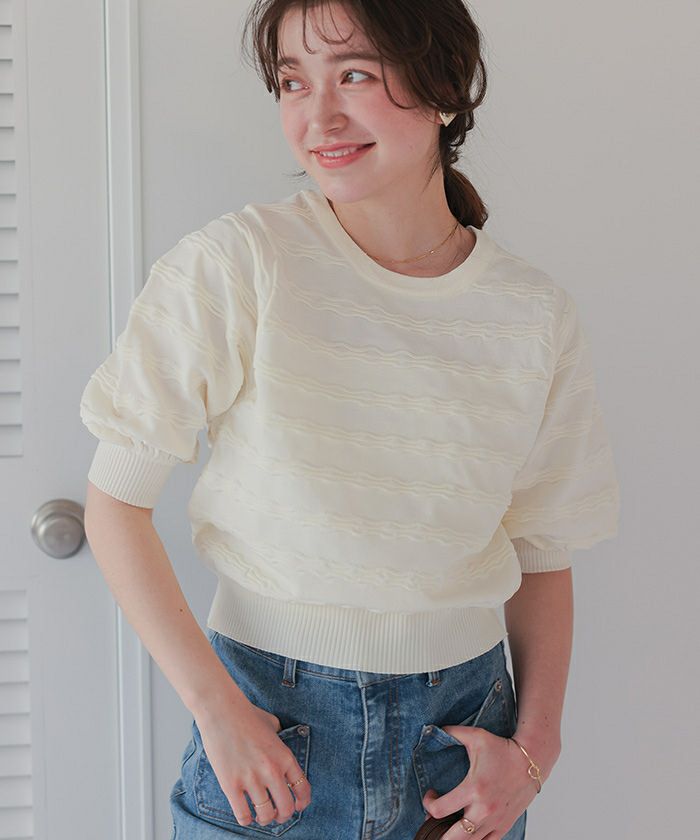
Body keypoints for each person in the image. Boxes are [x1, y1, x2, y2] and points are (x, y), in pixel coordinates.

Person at [80, 1, 621, 838]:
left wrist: (535, 748)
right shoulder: (239, 264)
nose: (319, 116)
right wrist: (219, 713)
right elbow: (115, 502)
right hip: (268, 729)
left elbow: (543, 547)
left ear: (443, 88)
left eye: (355, 75)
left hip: (462, 743)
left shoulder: (531, 314)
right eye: (294, 81)